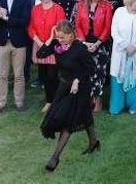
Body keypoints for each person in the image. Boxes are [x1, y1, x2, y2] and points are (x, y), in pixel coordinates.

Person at [38, 20, 99, 172]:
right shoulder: (57, 46)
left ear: (71, 35)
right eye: (58, 37)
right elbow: (40, 54)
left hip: (80, 88)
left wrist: (77, 80)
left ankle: (54, 158)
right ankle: (94, 142)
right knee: (84, 116)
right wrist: (51, 38)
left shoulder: (79, 48)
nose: (61, 40)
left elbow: (91, 69)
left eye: (63, 37)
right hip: (64, 87)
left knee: (68, 122)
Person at [0, 0, 30, 112]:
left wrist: (6, 17)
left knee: (19, 74)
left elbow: (24, 21)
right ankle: (1, 102)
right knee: (2, 74)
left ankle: (19, 102)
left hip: (19, 42)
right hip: (2, 42)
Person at [74, 0, 114, 113]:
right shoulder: (80, 5)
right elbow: (78, 25)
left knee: (99, 73)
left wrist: (97, 44)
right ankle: (88, 99)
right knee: (86, 72)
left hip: (101, 43)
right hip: (85, 42)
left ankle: (98, 101)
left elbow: (108, 28)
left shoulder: (107, 5)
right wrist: (85, 43)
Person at [29, 0, 66, 113]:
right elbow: (31, 27)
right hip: (39, 44)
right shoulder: (35, 9)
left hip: (53, 46)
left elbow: (61, 29)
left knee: (53, 76)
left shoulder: (58, 9)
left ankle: (53, 102)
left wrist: (49, 42)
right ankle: (49, 100)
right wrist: (38, 42)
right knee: (44, 76)